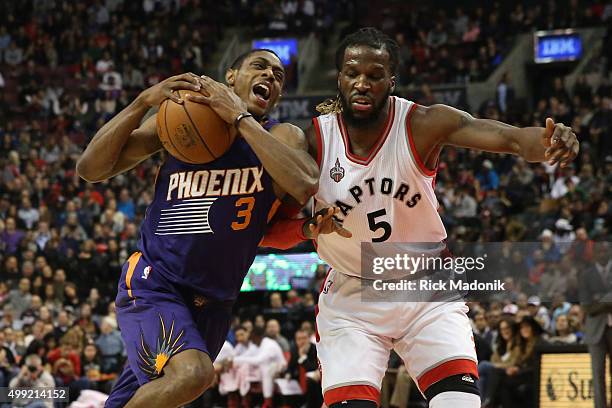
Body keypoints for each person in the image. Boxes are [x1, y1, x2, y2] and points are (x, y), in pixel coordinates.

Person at [263, 27, 579, 408]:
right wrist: (306, 228)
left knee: (459, 404)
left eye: (375, 76)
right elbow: (267, 233)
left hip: (426, 285)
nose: (362, 84)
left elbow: (510, 138)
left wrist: (549, 142)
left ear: (391, 81)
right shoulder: (311, 140)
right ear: (339, 77)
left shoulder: (422, 124)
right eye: (353, 73)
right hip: (352, 294)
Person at [76, 49, 323, 408]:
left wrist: (239, 118)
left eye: (279, 74)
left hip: (215, 304)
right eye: (260, 66)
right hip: (156, 282)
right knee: (193, 375)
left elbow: (302, 185)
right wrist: (142, 102)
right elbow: (91, 168)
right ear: (231, 77)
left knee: (138, 398)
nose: (271, 75)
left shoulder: (283, 138)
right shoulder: (183, 121)